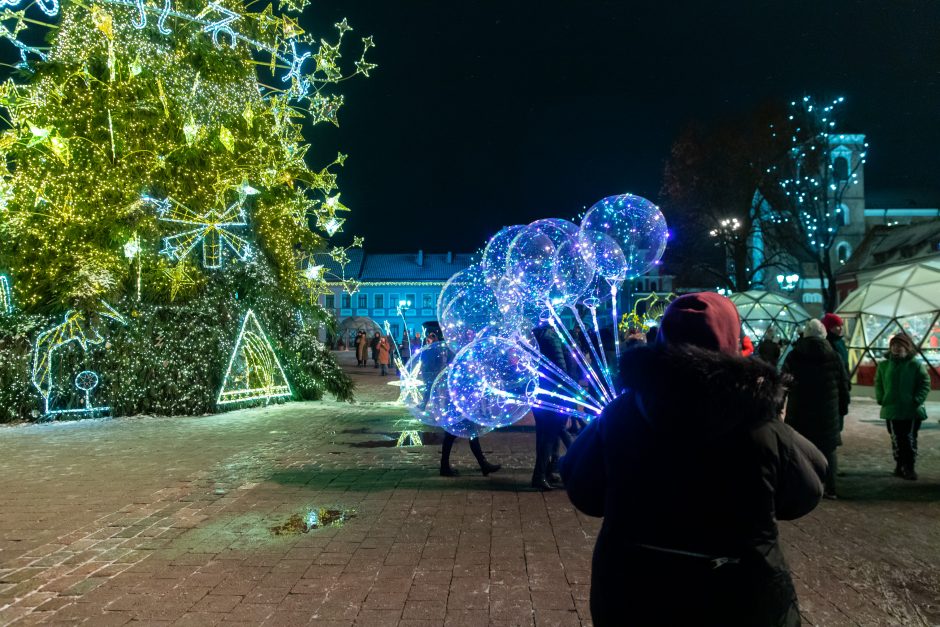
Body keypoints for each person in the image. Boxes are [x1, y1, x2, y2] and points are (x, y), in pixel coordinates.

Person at [561, 292, 826, 627]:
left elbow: (582, 488)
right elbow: (805, 493)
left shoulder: (620, 416)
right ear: (732, 343)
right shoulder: (760, 425)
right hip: (739, 598)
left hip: (634, 596)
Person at [782, 319, 850, 499]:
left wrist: (779, 406)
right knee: (828, 449)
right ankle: (830, 488)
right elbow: (843, 384)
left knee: (799, 449)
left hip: (799, 411)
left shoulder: (794, 355)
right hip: (827, 412)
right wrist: (842, 408)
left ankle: (802, 487)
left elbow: (783, 383)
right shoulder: (834, 355)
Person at [876, 333, 931, 480]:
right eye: (894, 345)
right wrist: (881, 398)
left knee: (908, 438)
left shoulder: (915, 365)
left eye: (900, 345)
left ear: (907, 347)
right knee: (896, 438)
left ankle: (909, 466)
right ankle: (899, 464)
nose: (896, 348)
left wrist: (916, 400)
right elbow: (879, 383)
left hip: (911, 410)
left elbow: (925, 383)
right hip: (891, 408)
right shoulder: (884, 365)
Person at [531, 322, 577, 491]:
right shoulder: (552, 338)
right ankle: (540, 475)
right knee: (551, 434)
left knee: (547, 433)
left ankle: (548, 471)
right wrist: (568, 392)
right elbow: (562, 368)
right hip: (556, 394)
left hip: (541, 393)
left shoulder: (536, 337)